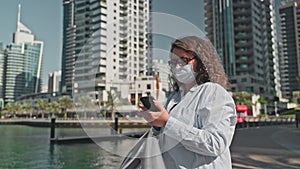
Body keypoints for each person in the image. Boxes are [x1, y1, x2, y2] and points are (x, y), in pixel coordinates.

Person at [138, 36, 237, 169]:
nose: (178, 66)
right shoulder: (174, 98)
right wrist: (157, 125)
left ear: (201, 61)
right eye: (173, 62)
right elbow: (166, 144)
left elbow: (215, 144)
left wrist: (167, 123)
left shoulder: (214, 92)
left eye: (184, 60)